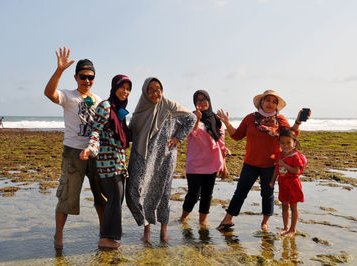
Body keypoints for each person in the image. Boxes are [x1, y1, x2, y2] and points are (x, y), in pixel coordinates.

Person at [216, 89, 310, 232]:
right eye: (267, 100)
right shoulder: (250, 118)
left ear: (277, 105)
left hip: (271, 165)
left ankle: (265, 222)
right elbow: (237, 135)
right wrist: (227, 123)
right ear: (261, 102)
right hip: (250, 163)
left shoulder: (280, 120)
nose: (270, 104)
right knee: (240, 191)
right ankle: (227, 219)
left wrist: (298, 121)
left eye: (274, 102)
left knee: (267, 194)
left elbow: (291, 135)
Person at [44, 47, 106, 249]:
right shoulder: (68, 96)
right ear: (76, 76)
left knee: (101, 195)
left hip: (95, 152)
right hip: (72, 152)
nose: (87, 81)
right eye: (83, 76)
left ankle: (104, 231)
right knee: (66, 196)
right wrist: (59, 70)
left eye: (91, 77)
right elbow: (49, 93)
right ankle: (58, 235)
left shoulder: (99, 101)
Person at [126, 77, 196, 243]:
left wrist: (178, 138)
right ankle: (147, 230)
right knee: (138, 191)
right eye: (150, 89)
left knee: (164, 193)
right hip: (143, 158)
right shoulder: (141, 109)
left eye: (158, 89)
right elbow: (131, 133)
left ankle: (163, 232)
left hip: (165, 157)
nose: (154, 93)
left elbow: (191, 119)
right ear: (145, 91)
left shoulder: (170, 106)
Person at [80, 74, 132, 249]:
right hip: (107, 164)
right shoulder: (106, 106)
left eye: (128, 88)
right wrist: (91, 149)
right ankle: (106, 239)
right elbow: (96, 131)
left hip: (119, 164)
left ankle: (111, 233)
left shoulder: (120, 110)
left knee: (116, 199)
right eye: (122, 87)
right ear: (114, 87)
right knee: (114, 198)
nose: (125, 91)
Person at [179, 90, 230, 226]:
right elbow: (191, 133)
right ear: (195, 103)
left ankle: (203, 222)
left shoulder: (217, 120)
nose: (202, 102)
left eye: (204, 99)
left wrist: (223, 165)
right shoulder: (191, 117)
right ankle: (183, 218)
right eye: (199, 100)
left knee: (207, 195)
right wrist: (196, 119)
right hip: (195, 164)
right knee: (193, 195)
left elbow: (221, 144)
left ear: (209, 100)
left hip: (212, 163)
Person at [269, 127, 307, 237]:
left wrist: (285, 165)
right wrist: (272, 181)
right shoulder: (280, 155)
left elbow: (297, 171)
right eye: (282, 143)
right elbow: (277, 169)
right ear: (279, 143)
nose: (285, 146)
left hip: (293, 184)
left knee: (293, 206)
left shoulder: (295, 156)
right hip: (283, 184)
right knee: (284, 206)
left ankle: (292, 229)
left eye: (288, 143)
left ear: (294, 142)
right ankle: (285, 227)